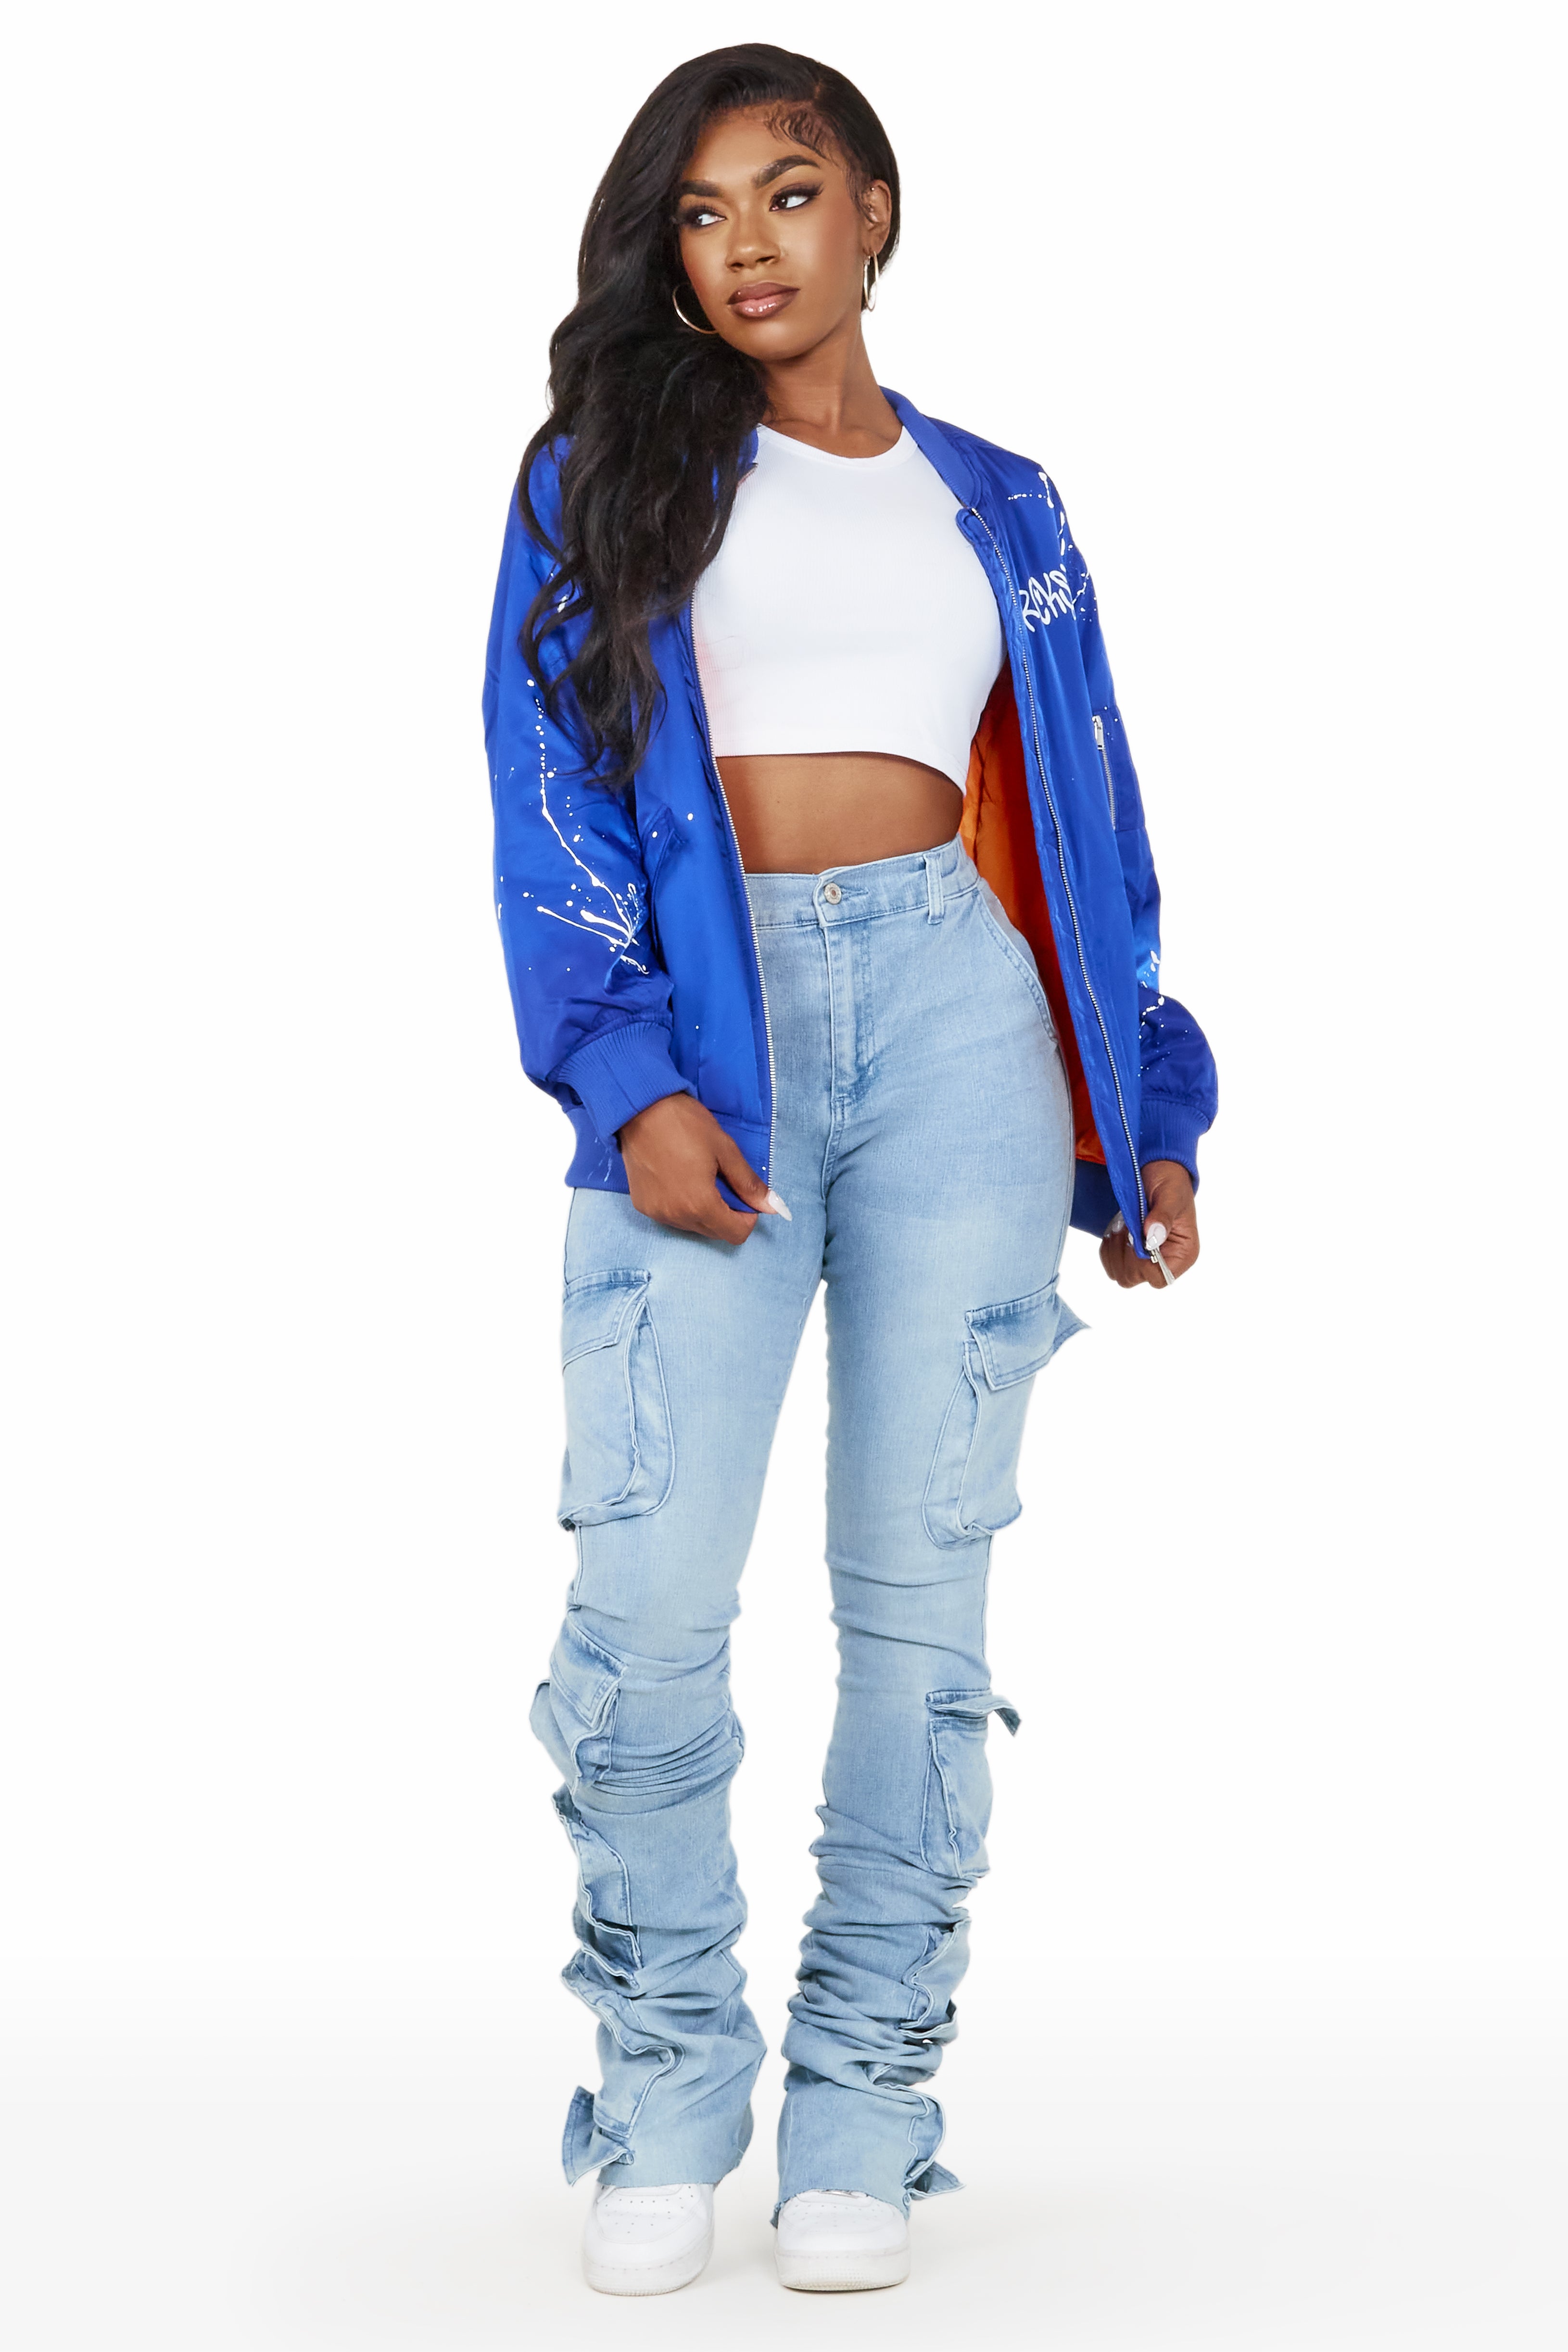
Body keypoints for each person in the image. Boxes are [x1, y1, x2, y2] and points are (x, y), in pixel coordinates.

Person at [482, 43, 1217, 2296]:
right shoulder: (602, 471)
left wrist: (1144, 1100)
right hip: (709, 1051)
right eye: (700, 214)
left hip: (961, 1025)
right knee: (644, 1607)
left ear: (873, 209)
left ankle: (862, 2109)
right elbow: (547, 780)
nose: (745, 248)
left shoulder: (1000, 498)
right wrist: (628, 1073)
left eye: (787, 195)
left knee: (917, 1617)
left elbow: (1082, 806)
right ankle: (664, 2086)